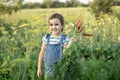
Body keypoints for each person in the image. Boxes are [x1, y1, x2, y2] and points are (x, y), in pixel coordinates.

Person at [37, 13, 70, 80]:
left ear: (62, 25)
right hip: (48, 69)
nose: (53, 27)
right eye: (51, 25)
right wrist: (39, 68)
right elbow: (42, 53)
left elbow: (65, 52)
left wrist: (71, 43)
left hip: (60, 68)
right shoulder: (46, 38)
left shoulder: (65, 38)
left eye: (56, 24)